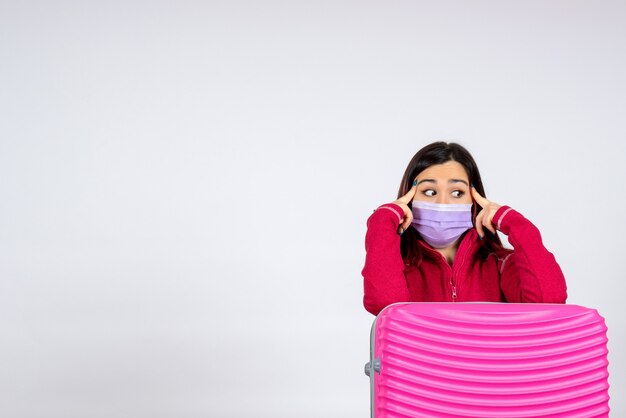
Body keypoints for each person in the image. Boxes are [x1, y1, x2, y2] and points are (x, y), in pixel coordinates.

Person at [362, 141, 567, 316]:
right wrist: (383, 219)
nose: (443, 203)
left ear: (475, 200)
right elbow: (387, 309)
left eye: (458, 192)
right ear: (409, 198)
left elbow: (549, 303)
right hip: (420, 364)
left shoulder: (500, 264)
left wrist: (514, 223)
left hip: (490, 364)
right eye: (430, 191)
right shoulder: (397, 266)